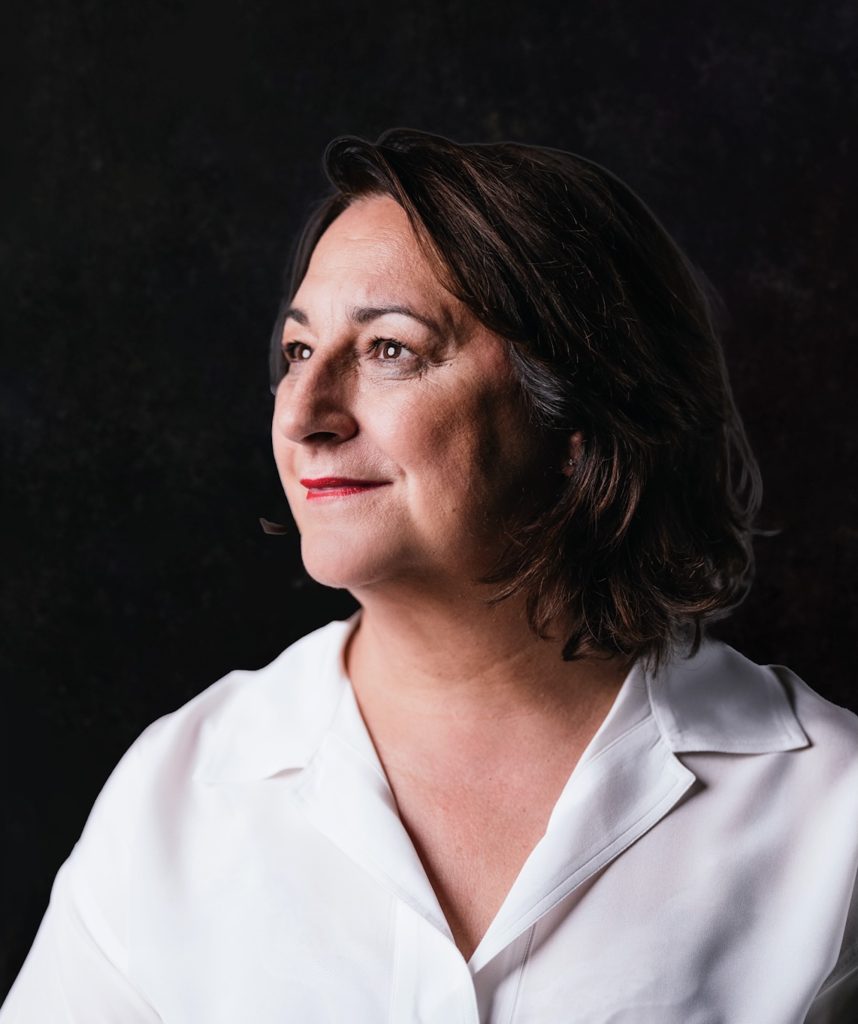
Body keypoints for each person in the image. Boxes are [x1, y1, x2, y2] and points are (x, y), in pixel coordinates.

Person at [2, 129, 856, 1023]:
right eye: (298, 351)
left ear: (579, 417)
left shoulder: (832, 815)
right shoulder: (177, 791)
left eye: (389, 349)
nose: (303, 415)